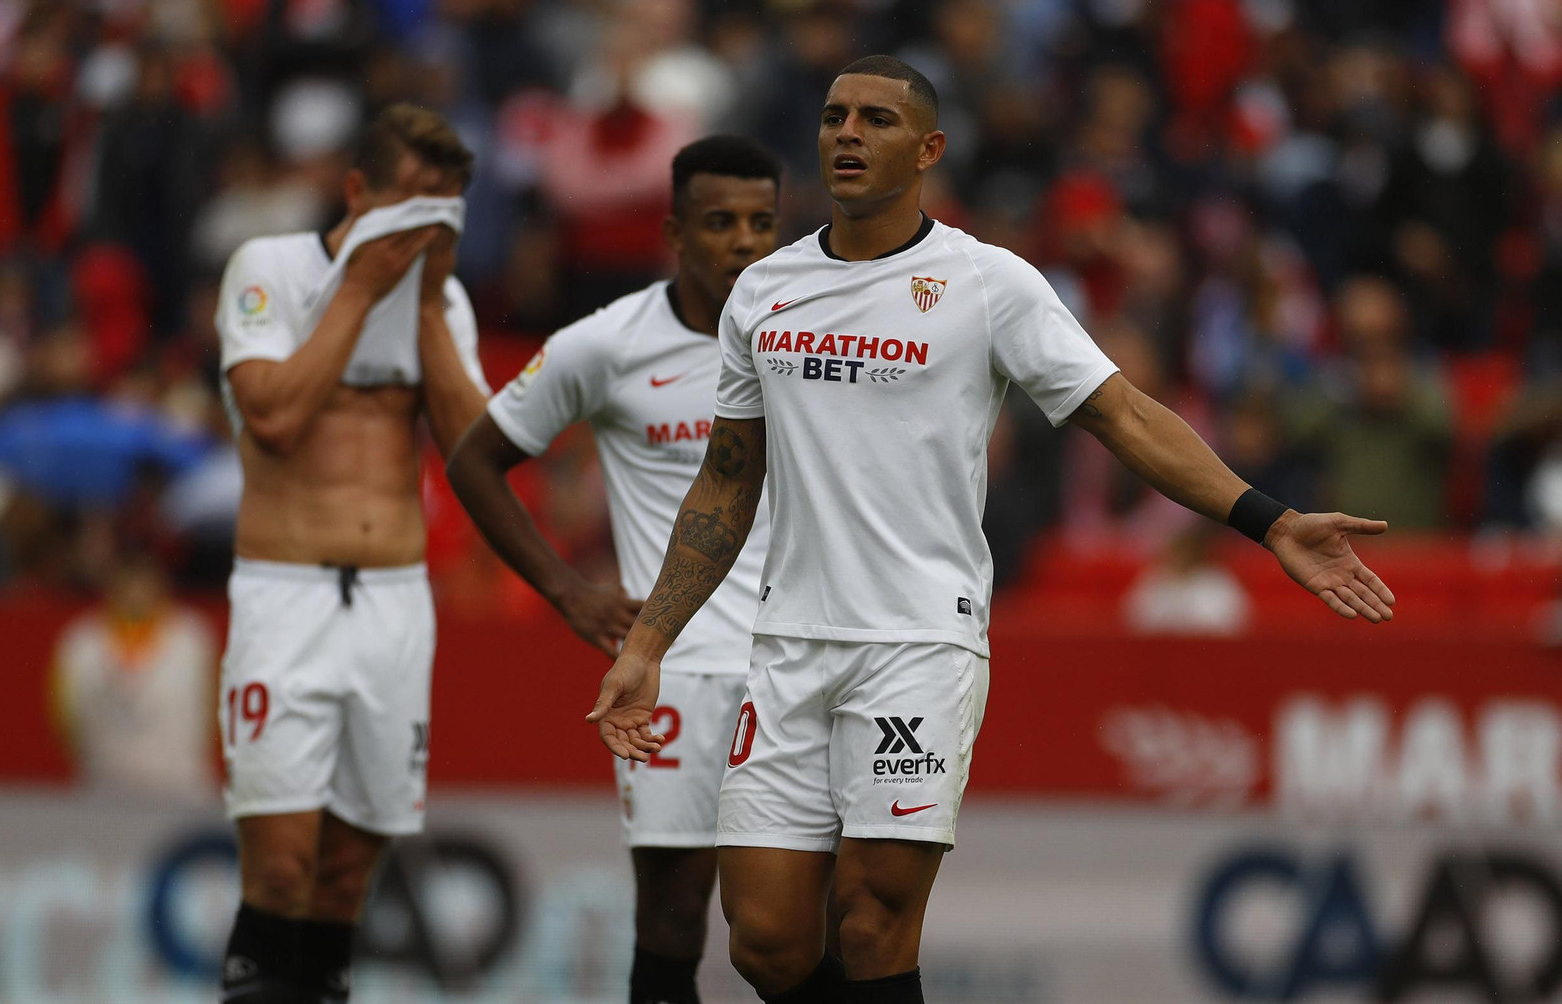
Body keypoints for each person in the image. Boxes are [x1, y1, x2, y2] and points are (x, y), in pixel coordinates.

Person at [586, 55, 1398, 1004]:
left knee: (874, 918)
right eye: (836, 116)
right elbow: (727, 481)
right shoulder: (764, 291)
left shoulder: (987, 283)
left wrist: (1271, 520)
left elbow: (1123, 415)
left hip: (919, 641)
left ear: (928, 148)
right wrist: (649, 644)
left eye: (877, 121)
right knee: (763, 939)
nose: (848, 133)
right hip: (788, 641)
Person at [446, 135, 782, 1004]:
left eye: (761, 222)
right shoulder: (606, 344)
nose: (743, 241)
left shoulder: (813, 339)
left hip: (799, 658)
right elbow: (474, 461)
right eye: (719, 221)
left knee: (792, 927)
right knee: (672, 918)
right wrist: (565, 589)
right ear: (674, 230)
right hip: (677, 668)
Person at [212, 104, 491, 1004]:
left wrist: (427, 301)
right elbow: (276, 418)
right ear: (358, 191)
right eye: (410, 201)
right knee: (284, 868)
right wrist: (365, 290)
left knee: (344, 878)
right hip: (284, 591)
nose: (423, 225)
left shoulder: (440, 302)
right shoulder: (271, 268)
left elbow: (472, 452)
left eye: (443, 209)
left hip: (393, 602)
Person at [51, 550, 216, 800]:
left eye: (143, 582)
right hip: (104, 782)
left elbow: (213, 706)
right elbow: (66, 717)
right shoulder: (80, 643)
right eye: (127, 583)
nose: (135, 592)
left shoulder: (192, 638)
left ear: (160, 586)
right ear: (110, 586)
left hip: (182, 784)